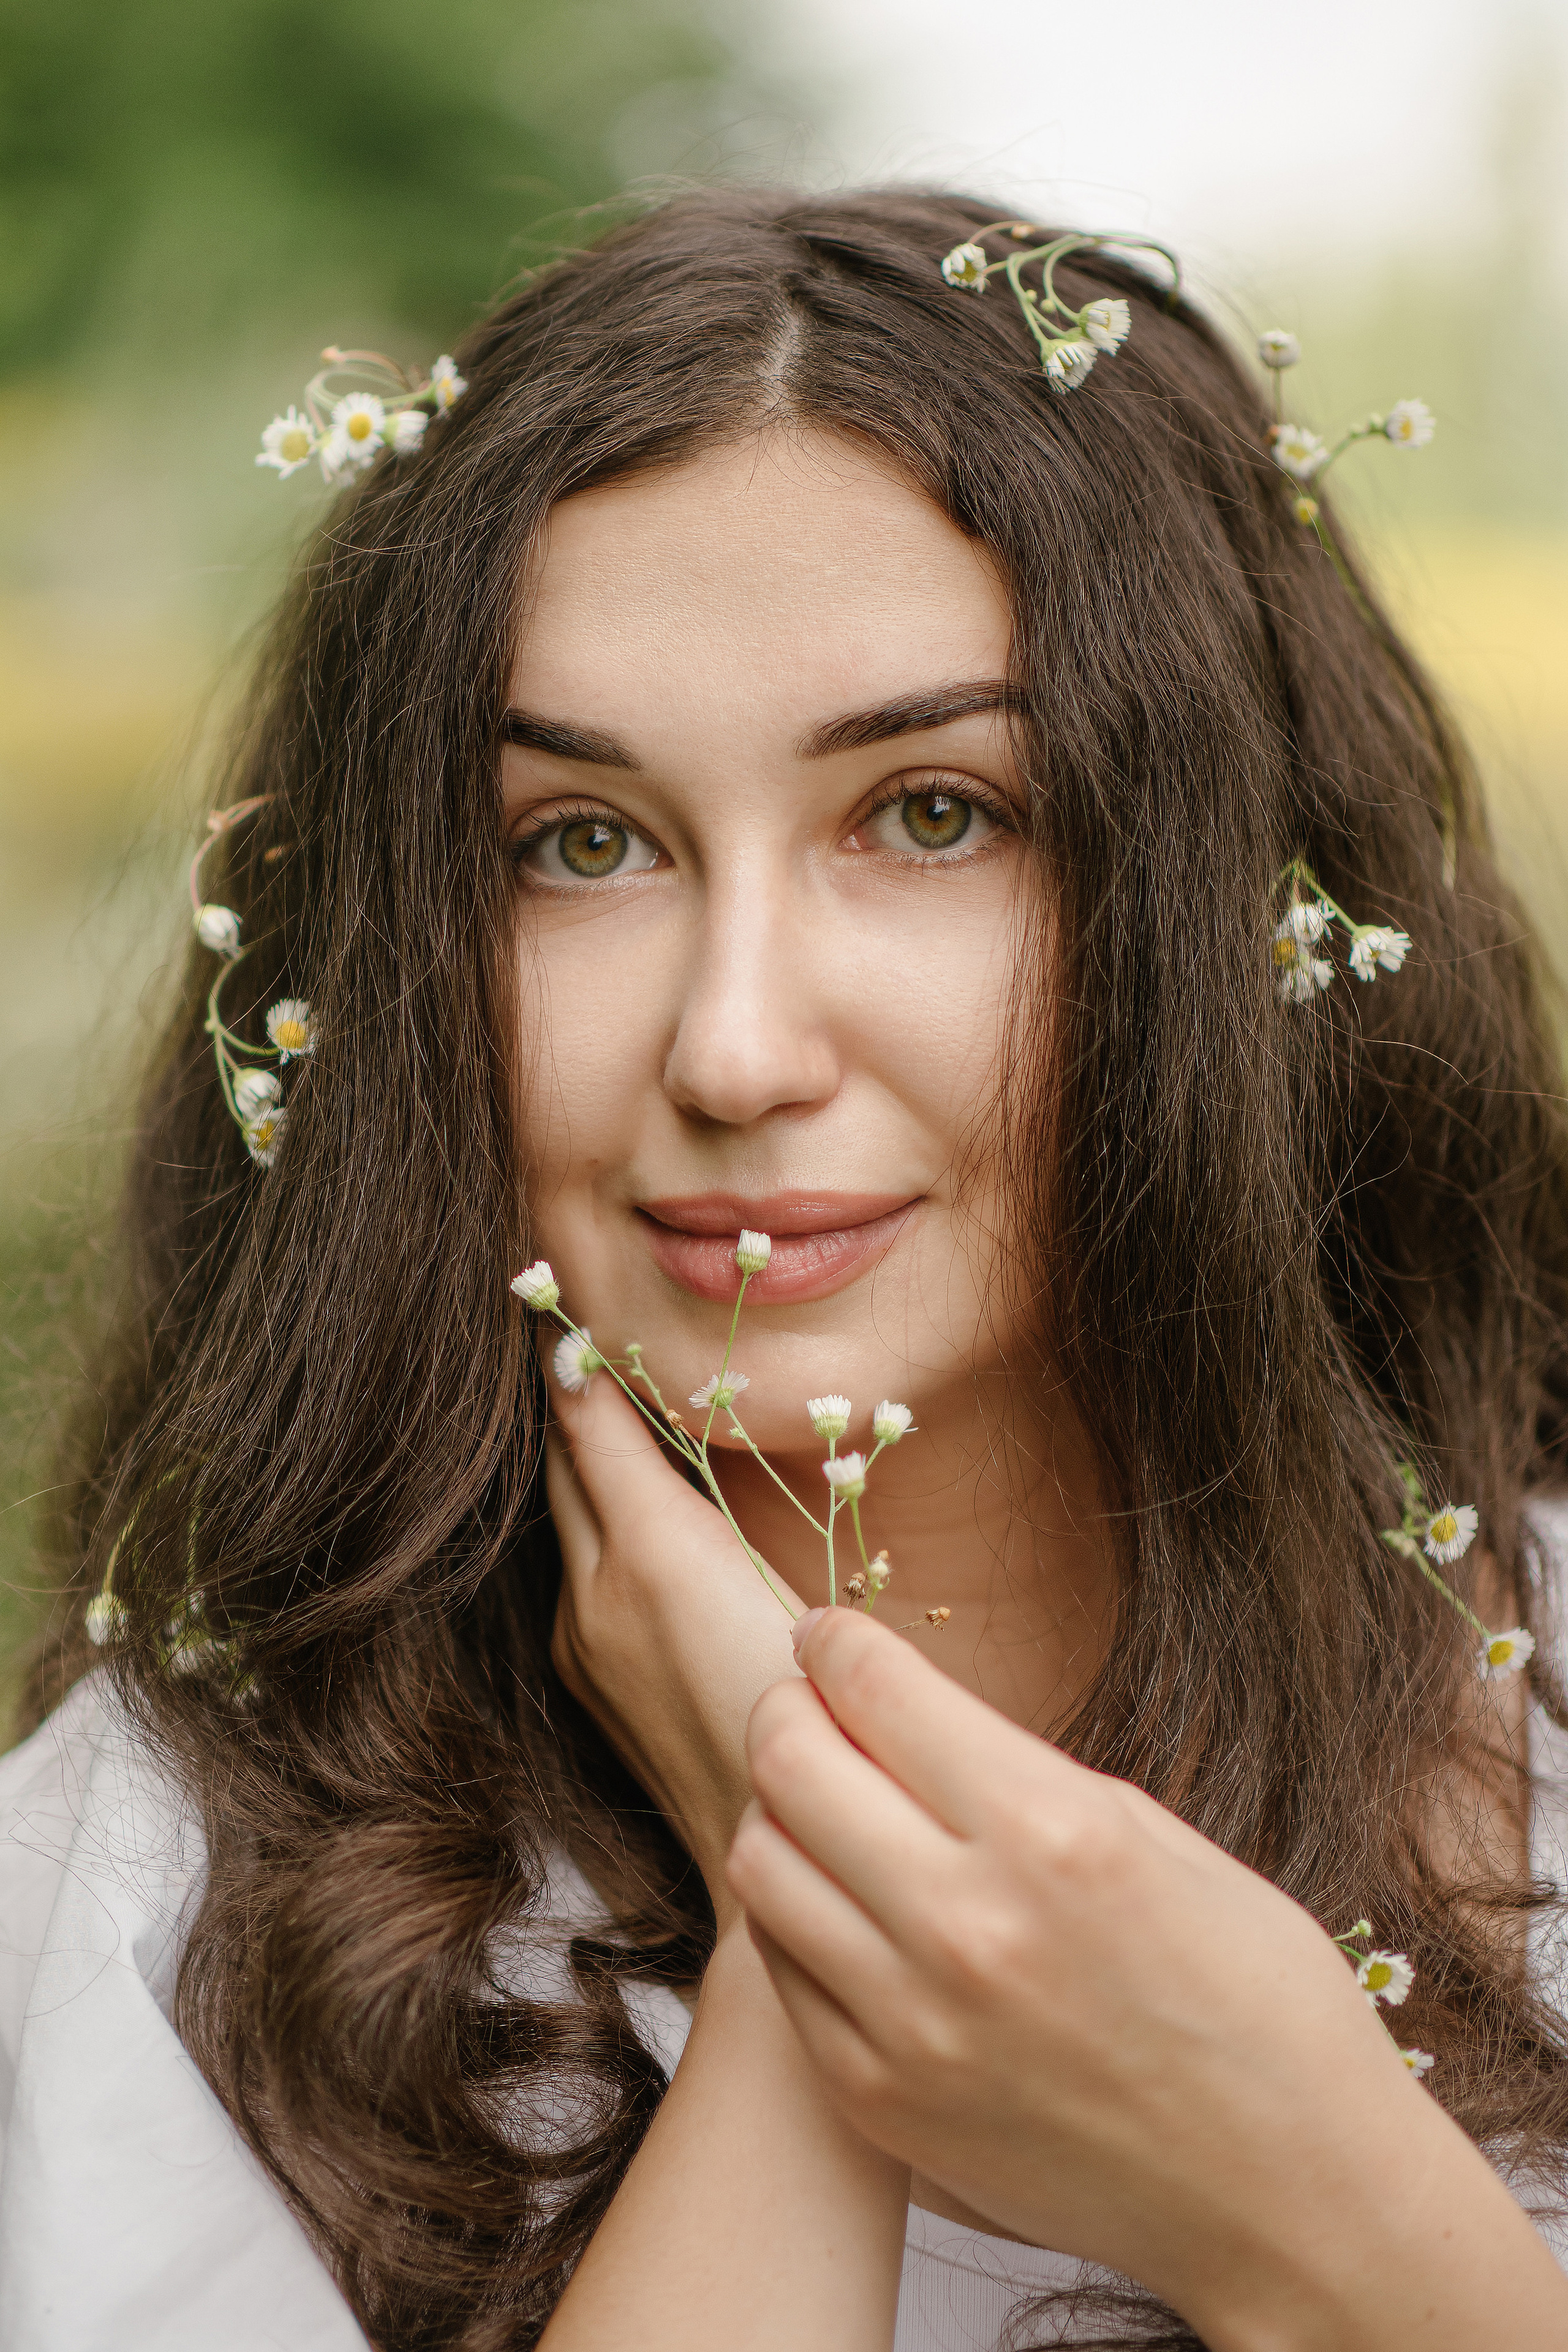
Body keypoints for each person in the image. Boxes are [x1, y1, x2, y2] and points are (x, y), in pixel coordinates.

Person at [2, 188, 1567, 2352]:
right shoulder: (128, 1914)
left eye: (935, 813)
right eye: (581, 845)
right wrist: (804, 1967)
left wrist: (1329, 2213)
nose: (736, 1045)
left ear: (1246, 904)